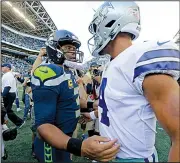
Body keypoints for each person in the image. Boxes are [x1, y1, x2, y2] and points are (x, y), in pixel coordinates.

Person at [86, 1, 180, 162]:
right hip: (107, 155)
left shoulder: (140, 57)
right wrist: (91, 115)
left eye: (97, 28)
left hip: (132, 158)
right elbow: (115, 106)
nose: (95, 35)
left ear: (110, 23)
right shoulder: (112, 64)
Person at [31, 29, 120, 162]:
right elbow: (44, 126)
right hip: (51, 142)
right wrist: (81, 147)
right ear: (54, 48)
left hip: (65, 137)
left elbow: (71, 101)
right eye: (68, 47)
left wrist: (92, 105)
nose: (73, 51)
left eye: (74, 48)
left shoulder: (66, 72)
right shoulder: (48, 72)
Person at [1, 63, 24, 128]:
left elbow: (7, 87)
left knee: (7, 110)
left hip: (8, 94)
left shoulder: (7, 75)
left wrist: (3, 96)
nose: (1, 68)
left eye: (3, 67)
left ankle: (19, 122)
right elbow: (15, 73)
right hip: (11, 94)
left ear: (8, 68)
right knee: (6, 110)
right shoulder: (10, 74)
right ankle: (18, 122)